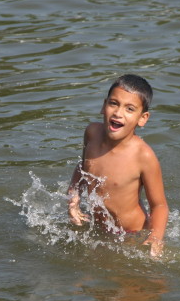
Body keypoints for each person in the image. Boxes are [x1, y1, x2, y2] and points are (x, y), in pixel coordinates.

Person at [67, 74, 168, 257]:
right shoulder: (92, 133)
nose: (118, 113)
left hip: (130, 235)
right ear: (103, 105)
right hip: (97, 226)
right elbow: (82, 168)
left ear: (142, 118)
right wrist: (74, 197)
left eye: (130, 109)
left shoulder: (143, 156)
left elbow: (159, 206)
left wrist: (156, 237)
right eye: (114, 103)